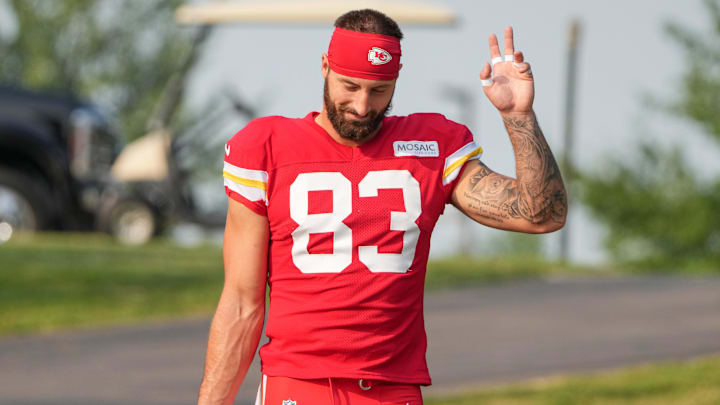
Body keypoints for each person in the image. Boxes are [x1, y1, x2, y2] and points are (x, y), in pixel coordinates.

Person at [198, 8, 567, 405]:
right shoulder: (266, 147)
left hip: (394, 390)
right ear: (325, 66)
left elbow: (540, 214)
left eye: (379, 90)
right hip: (298, 386)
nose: (361, 105)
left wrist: (518, 116)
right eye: (349, 86)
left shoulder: (430, 146)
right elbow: (241, 303)